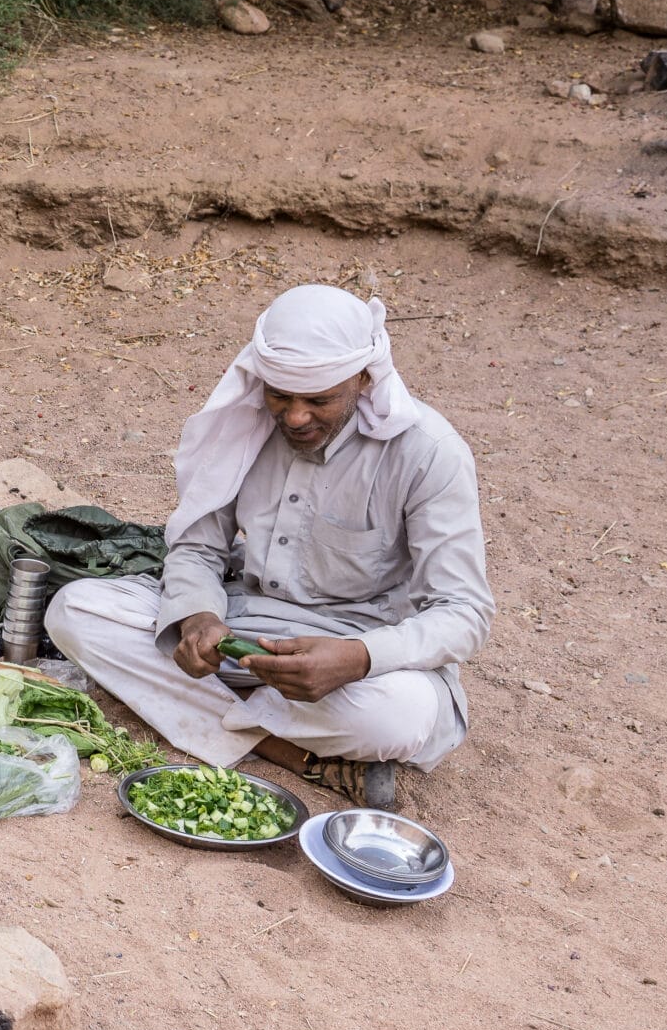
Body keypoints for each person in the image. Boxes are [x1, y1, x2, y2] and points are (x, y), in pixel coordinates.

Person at [46, 284, 493, 808]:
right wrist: (197, 618)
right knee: (76, 610)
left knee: (400, 715)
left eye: (319, 400)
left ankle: (209, 717)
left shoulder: (428, 454)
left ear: (364, 379)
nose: (295, 417)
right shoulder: (246, 423)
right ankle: (286, 749)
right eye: (280, 395)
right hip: (241, 631)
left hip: (355, 651)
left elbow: (465, 612)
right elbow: (196, 547)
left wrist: (357, 658)